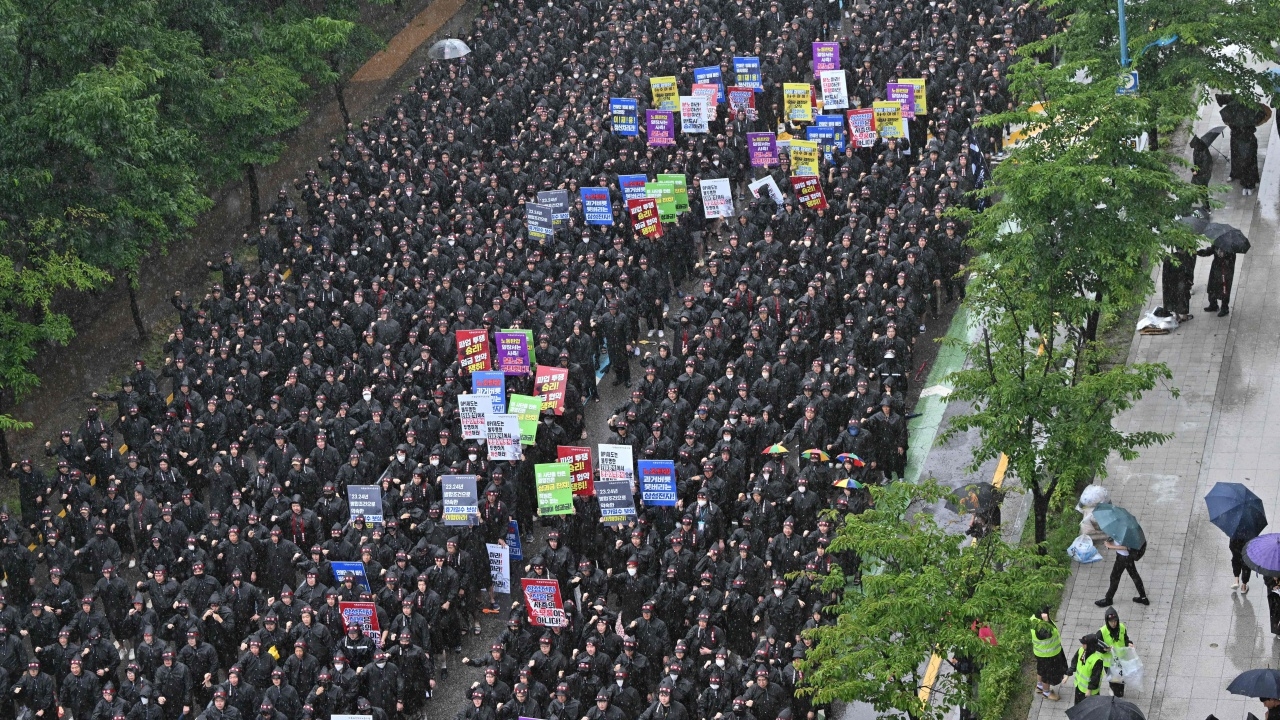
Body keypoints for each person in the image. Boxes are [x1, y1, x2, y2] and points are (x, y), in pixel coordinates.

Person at [1095, 537, 1149, 607]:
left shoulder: (1126, 534)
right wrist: (1110, 540)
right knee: (1134, 576)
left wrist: (1110, 546)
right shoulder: (1124, 530)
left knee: (1114, 577)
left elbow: (1127, 547)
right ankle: (1143, 598)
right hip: (1127, 557)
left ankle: (1108, 599)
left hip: (1123, 558)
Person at [1029, 608, 1067, 701]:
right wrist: (1046, 621)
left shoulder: (1034, 619)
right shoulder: (1040, 626)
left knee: (1041, 670)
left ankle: (1039, 686)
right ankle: (1046, 693)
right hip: (1048, 655)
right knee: (1047, 674)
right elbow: (1047, 634)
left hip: (1041, 653)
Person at [1097, 607, 1134, 697]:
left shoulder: (1121, 627)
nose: (1113, 623)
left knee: (1121, 680)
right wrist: (1104, 649)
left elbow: (1125, 638)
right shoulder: (1101, 632)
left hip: (1120, 660)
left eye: (1115, 621)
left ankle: (1118, 694)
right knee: (1114, 681)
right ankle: (1115, 693)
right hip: (1109, 663)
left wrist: (1129, 643)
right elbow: (1096, 646)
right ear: (1107, 621)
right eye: (1111, 621)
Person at [1197, 244, 1238, 317]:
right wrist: (1199, 252)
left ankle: (1225, 308)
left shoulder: (1231, 247)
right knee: (1212, 287)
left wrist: (1225, 256)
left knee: (1224, 290)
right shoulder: (1217, 243)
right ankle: (1213, 305)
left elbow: (1232, 260)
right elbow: (1210, 251)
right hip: (1215, 270)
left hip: (1225, 272)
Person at [1069, 634, 1107, 704]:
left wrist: (1089, 689)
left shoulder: (1097, 660)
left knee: (1090, 709)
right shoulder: (1081, 650)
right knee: (1078, 707)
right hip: (1079, 687)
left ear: (1090, 645)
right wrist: (1069, 672)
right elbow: (1075, 661)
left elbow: (1095, 677)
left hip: (1090, 692)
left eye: (1084, 644)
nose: (1082, 645)